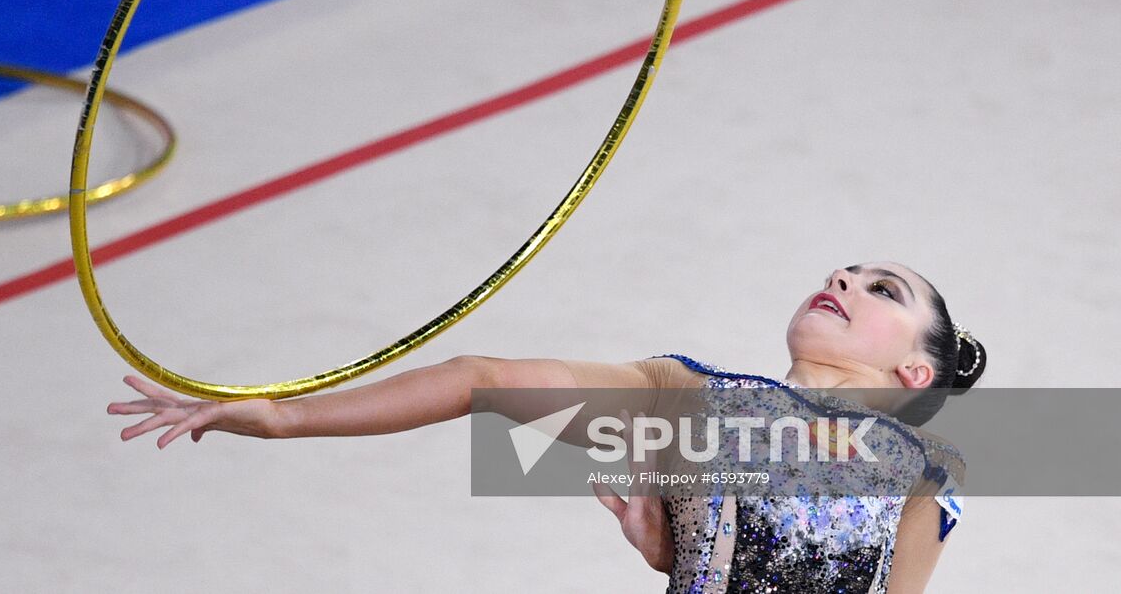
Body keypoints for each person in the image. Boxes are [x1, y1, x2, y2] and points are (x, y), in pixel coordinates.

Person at [107, 260, 985, 593]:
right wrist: (287, 416)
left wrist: (671, 552)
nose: (844, 277)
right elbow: (481, 381)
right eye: (846, 268)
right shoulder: (688, 397)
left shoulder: (924, 469)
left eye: (883, 290)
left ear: (916, 370)